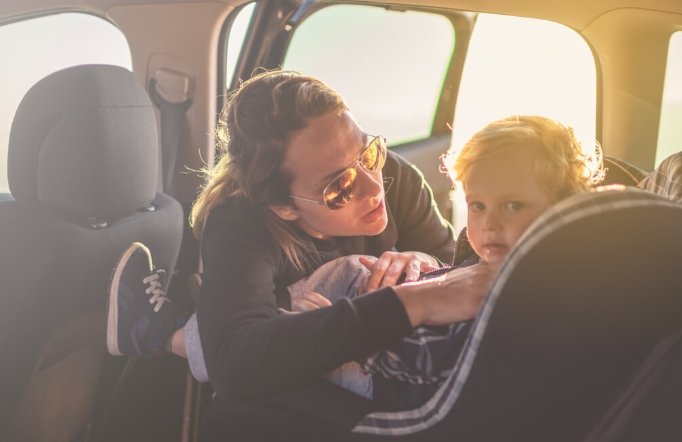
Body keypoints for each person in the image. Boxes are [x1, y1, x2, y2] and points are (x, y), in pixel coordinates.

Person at [105, 70, 497, 410]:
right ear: (284, 207)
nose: (373, 187)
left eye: (368, 152)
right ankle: (158, 331)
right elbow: (234, 363)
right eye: (339, 187)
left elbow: (455, 267)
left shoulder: (396, 175)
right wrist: (409, 302)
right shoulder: (240, 224)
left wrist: (421, 260)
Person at [280, 115, 605, 408]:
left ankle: (287, 328)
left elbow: (433, 367)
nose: (489, 223)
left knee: (303, 326)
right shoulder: (499, 261)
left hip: (378, 374)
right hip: (392, 342)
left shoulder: (529, 294)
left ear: (562, 208)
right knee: (352, 269)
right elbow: (452, 279)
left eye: (511, 206)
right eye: (477, 206)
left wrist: (338, 340)